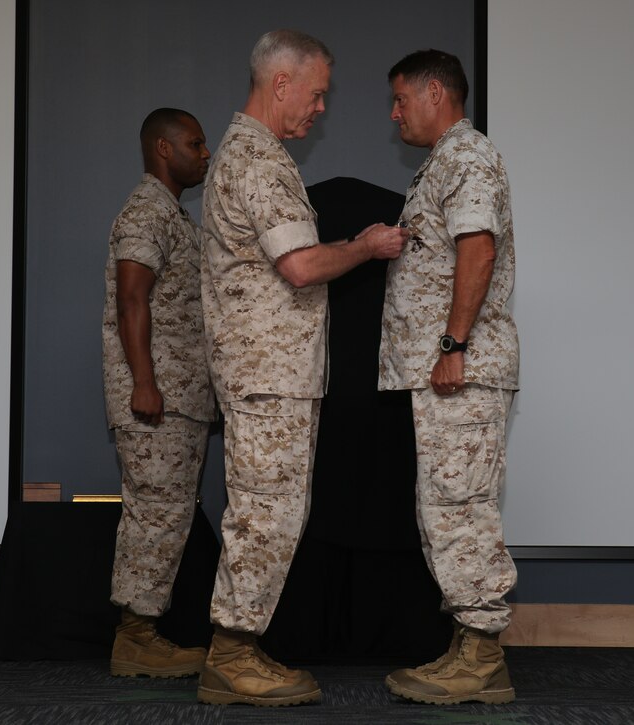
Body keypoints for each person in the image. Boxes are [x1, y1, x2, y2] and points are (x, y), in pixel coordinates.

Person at [197, 29, 409, 707]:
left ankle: (240, 646)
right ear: (281, 82)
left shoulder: (250, 154)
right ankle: (231, 655)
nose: (321, 107)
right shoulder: (259, 160)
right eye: (316, 94)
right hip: (269, 377)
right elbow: (301, 264)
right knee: (265, 514)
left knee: (271, 511)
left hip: (271, 374)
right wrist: (368, 245)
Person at [378, 49, 520, 705]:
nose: (395, 113)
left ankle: (482, 657)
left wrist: (452, 344)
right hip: (445, 374)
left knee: (461, 507)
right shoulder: (442, 162)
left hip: (461, 368)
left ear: (436, 92)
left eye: (401, 99)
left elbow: (477, 248)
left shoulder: (467, 156)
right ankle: (469, 643)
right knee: (444, 507)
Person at [101, 108, 216, 679]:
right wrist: (145, 383)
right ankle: (136, 639)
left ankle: (144, 632)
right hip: (157, 399)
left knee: (166, 514)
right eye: (195, 143)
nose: (206, 153)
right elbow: (132, 299)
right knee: (154, 514)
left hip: (180, 398)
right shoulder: (147, 211)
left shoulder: (174, 215)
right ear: (164, 149)